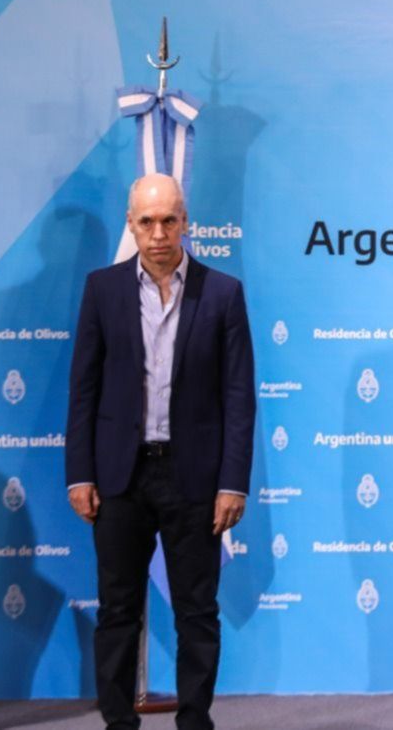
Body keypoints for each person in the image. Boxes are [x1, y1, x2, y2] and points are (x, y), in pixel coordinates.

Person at [65, 174, 255, 730]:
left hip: (194, 478)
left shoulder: (222, 293)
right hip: (119, 476)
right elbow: (84, 388)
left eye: (169, 220)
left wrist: (233, 482)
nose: (158, 233)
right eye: (146, 222)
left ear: (185, 223)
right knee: (117, 609)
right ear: (130, 223)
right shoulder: (102, 289)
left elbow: (239, 396)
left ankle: (195, 721)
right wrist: (80, 473)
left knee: (197, 612)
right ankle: (118, 723)